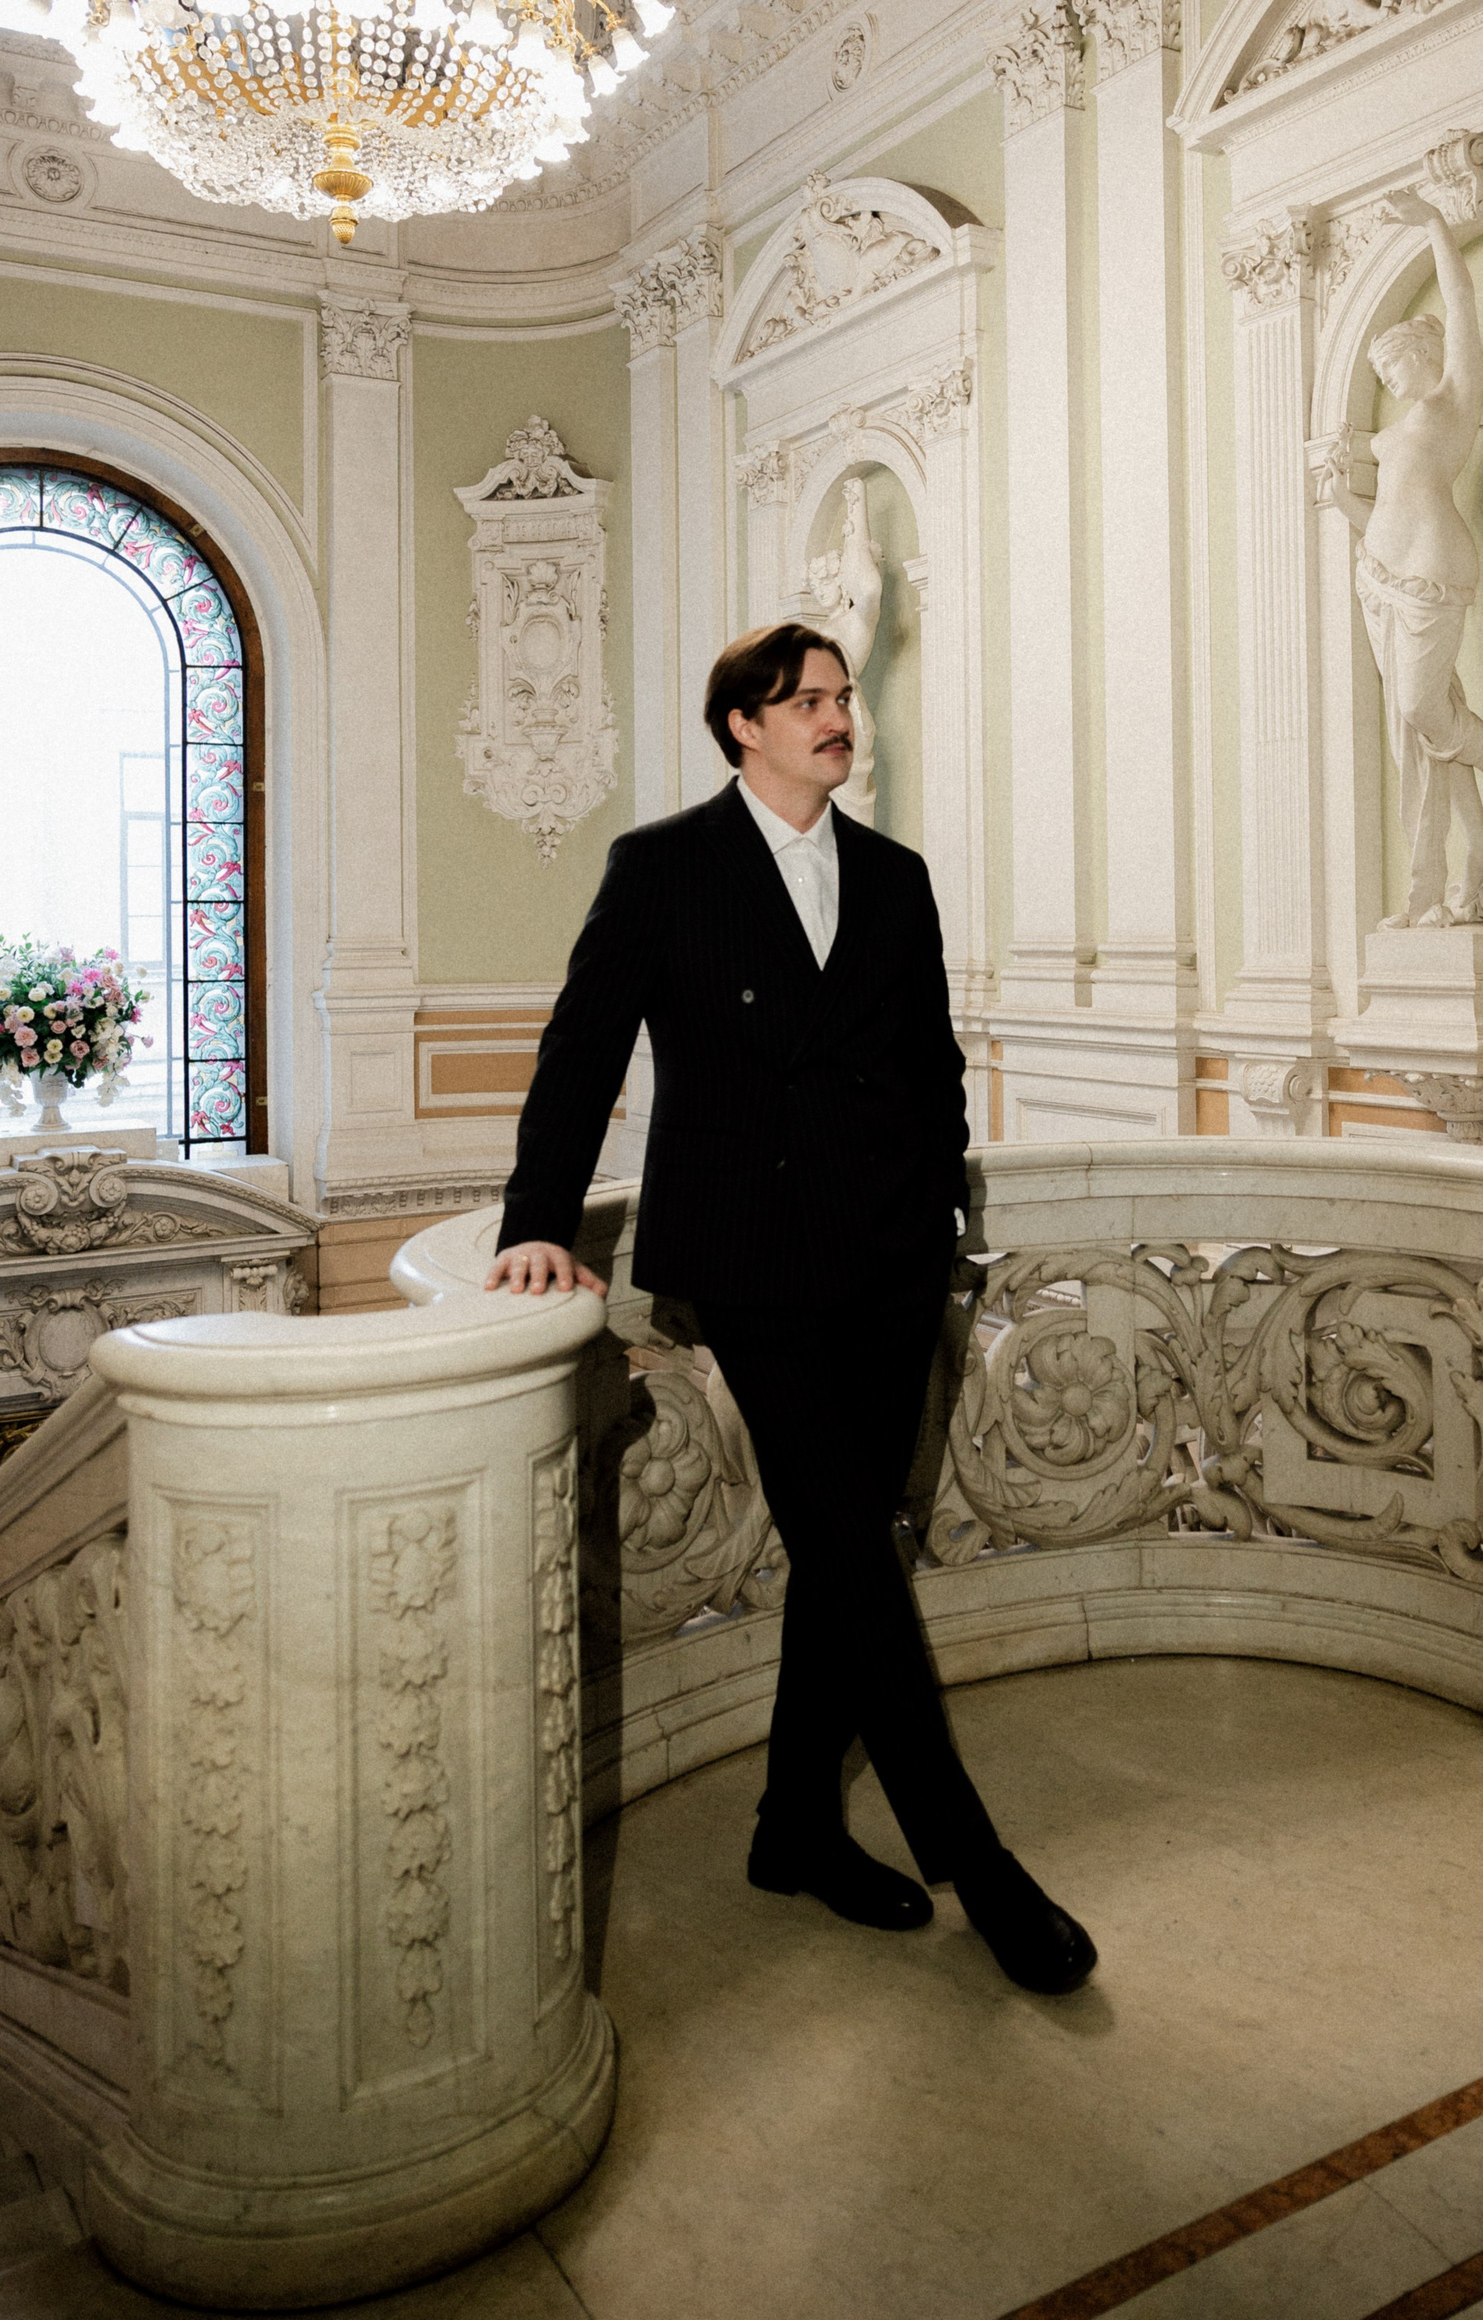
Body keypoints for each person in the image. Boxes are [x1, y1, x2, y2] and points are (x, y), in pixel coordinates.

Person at [486, 623, 1096, 1997]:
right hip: (752, 1262)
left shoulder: (893, 876)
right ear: (742, 727)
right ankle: (978, 1866)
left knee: (843, 1552)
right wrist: (535, 1220)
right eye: (807, 699)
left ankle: (796, 1826)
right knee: (851, 1549)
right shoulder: (662, 868)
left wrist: (937, 1206)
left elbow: (930, 1062)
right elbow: (582, 1051)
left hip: (888, 1257)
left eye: (842, 695)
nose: (838, 715)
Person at [1315, 188, 1483, 929]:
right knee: (1417, 732)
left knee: (1423, 709)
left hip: (1433, 576)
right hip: (1380, 579)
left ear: (1426, 355)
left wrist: (1435, 225)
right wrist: (1339, 501)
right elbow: (1383, 514)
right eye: (1381, 375)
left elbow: (1461, 300)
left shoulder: (1452, 401)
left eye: (1394, 366)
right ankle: (1460, 861)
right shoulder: (1392, 437)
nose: (1388, 381)